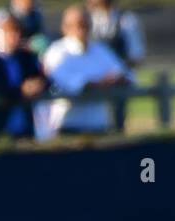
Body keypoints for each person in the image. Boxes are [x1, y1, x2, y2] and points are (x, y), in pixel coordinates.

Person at [42, 3, 129, 135]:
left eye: (85, 25)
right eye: (77, 25)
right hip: (67, 126)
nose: (82, 30)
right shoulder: (56, 52)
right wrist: (103, 82)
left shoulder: (100, 50)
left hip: (99, 125)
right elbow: (73, 83)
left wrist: (111, 81)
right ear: (65, 28)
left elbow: (125, 75)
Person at [0, 12, 46, 139]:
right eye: (10, 32)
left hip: (23, 128)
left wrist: (38, 85)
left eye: (17, 32)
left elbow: (41, 78)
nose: (14, 37)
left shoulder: (25, 58)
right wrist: (21, 90)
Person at [87, 0, 144, 130]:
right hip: (96, 80)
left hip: (120, 80)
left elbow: (136, 55)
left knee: (117, 118)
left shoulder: (126, 20)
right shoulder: (90, 20)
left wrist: (116, 74)